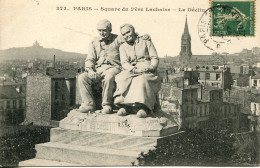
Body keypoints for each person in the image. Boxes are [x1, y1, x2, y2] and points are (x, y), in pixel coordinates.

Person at [78, 19, 150, 114]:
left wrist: (144, 36)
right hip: (98, 69)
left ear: (110, 30)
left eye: (104, 30)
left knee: (109, 76)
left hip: (115, 68)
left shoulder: (118, 39)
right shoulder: (94, 42)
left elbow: (130, 36)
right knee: (82, 77)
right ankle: (89, 104)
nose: (102, 33)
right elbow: (90, 58)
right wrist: (90, 70)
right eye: (99, 30)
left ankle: (107, 104)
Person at [114, 24, 161, 118]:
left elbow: (154, 57)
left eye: (128, 32)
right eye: (124, 34)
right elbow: (124, 63)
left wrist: (152, 67)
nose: (126, 35)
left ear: (134, 31)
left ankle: (143, 107)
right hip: (131, 69)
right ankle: (125, 106)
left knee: (141, 79)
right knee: (121, 78)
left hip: (146, 69)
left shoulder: (145, 41)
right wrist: (133, 69)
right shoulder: (122, 47)